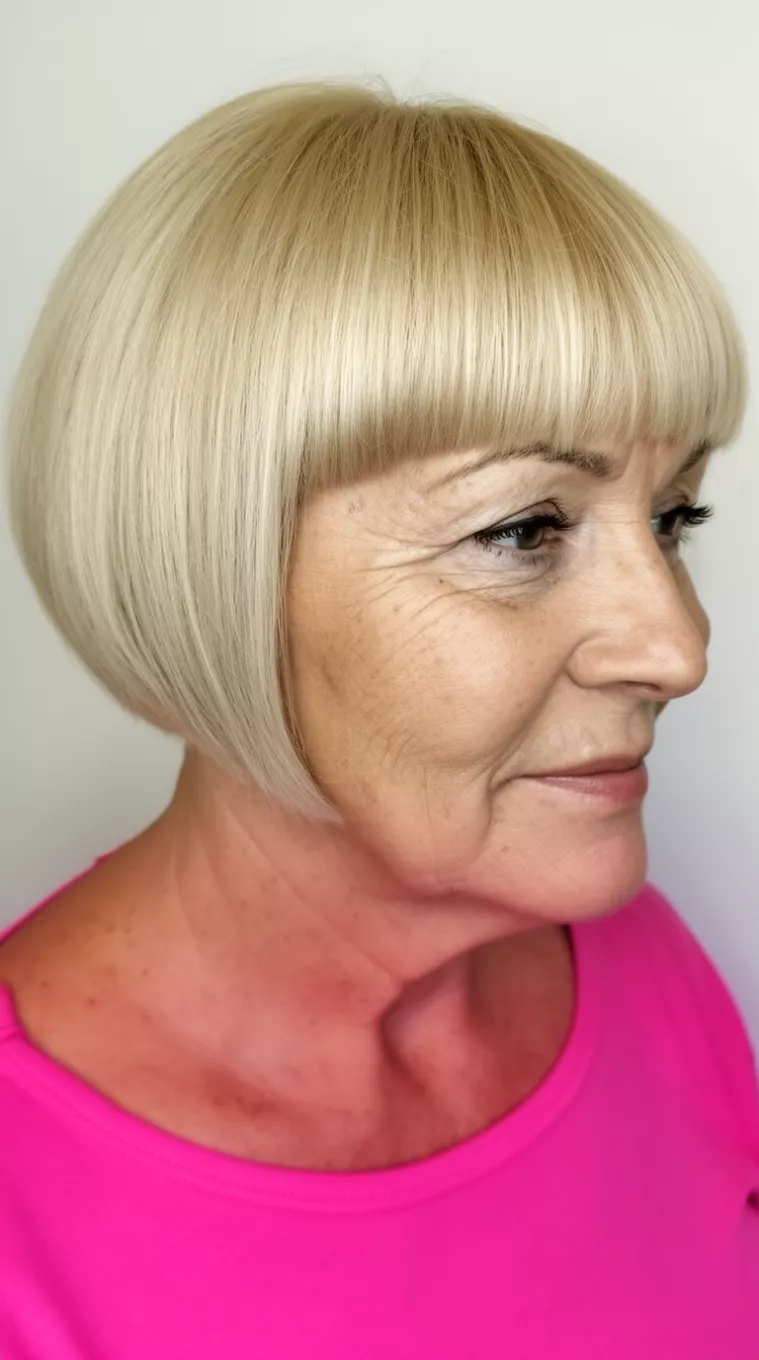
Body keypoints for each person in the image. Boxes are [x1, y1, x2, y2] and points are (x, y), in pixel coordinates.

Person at [1, 81, 757, 1358]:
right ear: (210, 567)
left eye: (673, 516)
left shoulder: (642, 965)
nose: (678, 649)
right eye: (524, 528)